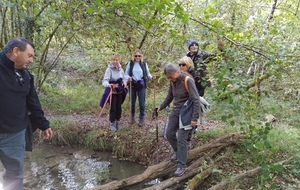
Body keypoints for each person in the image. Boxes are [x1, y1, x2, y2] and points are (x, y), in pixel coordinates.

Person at [0, 37, 53, 190]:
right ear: (16, 51)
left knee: (14, 175)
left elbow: (33, 102)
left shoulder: (25, 75)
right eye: (29, 55)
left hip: (15, 135)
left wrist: (44, 124)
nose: (31, 60)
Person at [155, 63, 200, 177]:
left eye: (170, 76)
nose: (170, 79)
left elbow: (196, 100)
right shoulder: (172, 81)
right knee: (169, 133)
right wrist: (161, 106)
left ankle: (181, 165)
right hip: (176, 111)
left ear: (176, 72)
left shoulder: (187, 80)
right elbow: (170, 96)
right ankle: (179, 152)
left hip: (187, 112)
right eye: (168, 78)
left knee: (181, 138)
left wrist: (195, 118)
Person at [124, 49, 156, 127]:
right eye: (136, 56)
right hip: (132, 84)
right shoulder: (130, 63)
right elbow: (126, 74)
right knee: (132, 102)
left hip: (141, 85)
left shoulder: (144, 64)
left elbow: (148, 74)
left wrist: (152, 78)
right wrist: (128, 78)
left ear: (141, 56)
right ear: (133, 56)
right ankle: (132, 117)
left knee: (142, 102)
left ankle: (141, 119)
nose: (137, 57)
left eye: (139, 56)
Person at [102, 54, 127, 131]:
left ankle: (118, 121)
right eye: (114, 60)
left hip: (119, 90)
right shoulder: (109, 70)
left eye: (117, 60)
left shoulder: (121, 69)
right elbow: (105, 80)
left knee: (119, 106)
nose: (115, 61)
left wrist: (125, 82)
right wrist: (108, 85)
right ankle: (112, 122)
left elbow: (124, 78)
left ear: (119, 61)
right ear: (111, 61)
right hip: (112, 91)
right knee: (113, 107)